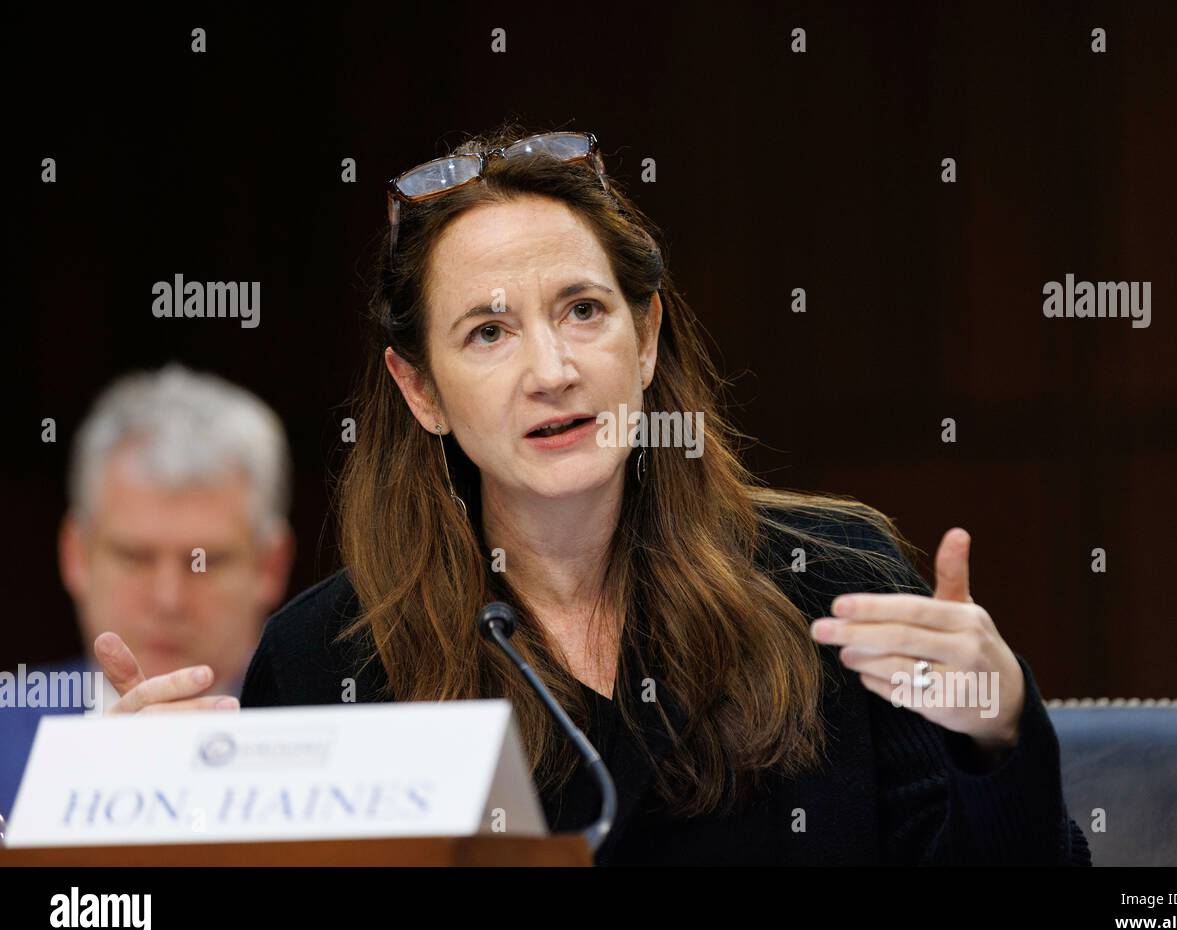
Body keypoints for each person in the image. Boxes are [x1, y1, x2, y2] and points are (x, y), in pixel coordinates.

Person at [118, 123, 1091, 865]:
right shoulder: (329, 659)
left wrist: (999, 733)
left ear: (647, 336)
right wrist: (138, 826)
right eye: (487, 333)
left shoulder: (833, 587)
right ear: (421, 391)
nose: (551, 369)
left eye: (582, 311)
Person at [0, 364, 296, 821]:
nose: (168, 599)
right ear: (75, 555)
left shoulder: (336, 735)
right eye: (135, 558)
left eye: (206, 561)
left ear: (269, 567)